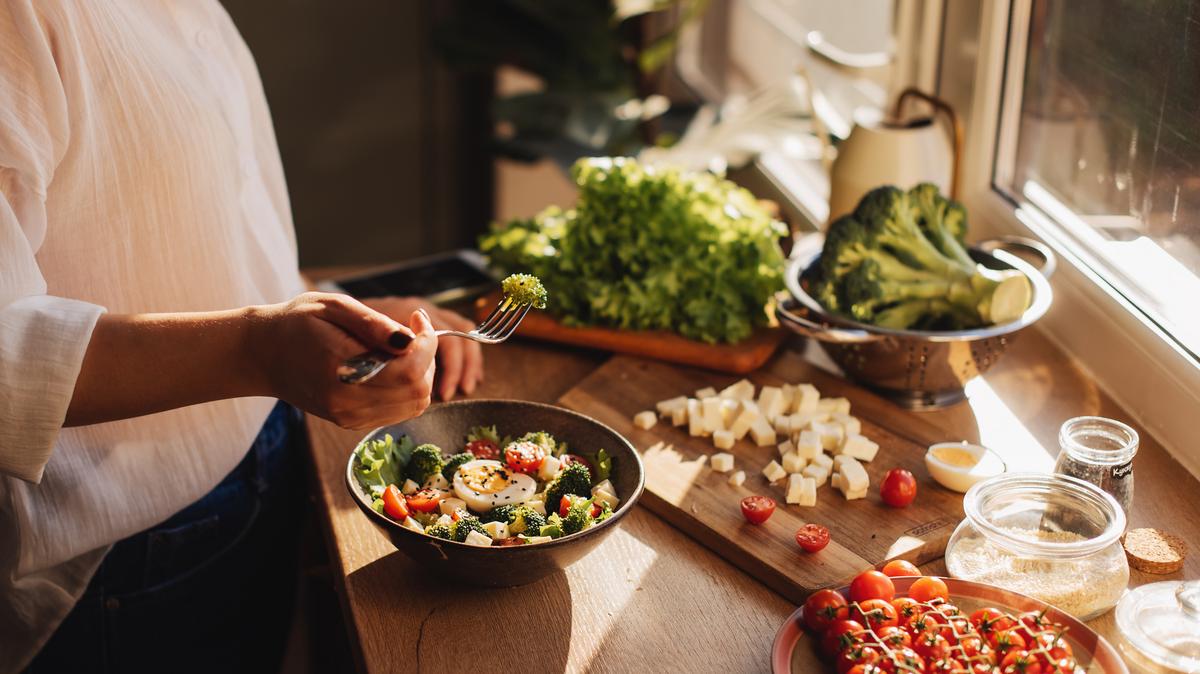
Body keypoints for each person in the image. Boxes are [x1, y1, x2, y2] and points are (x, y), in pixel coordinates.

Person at [0, 2, 483, 671]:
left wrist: (338, 308)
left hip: (268, 462)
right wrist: (256, 350)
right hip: (129, 556)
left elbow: (183, 225)